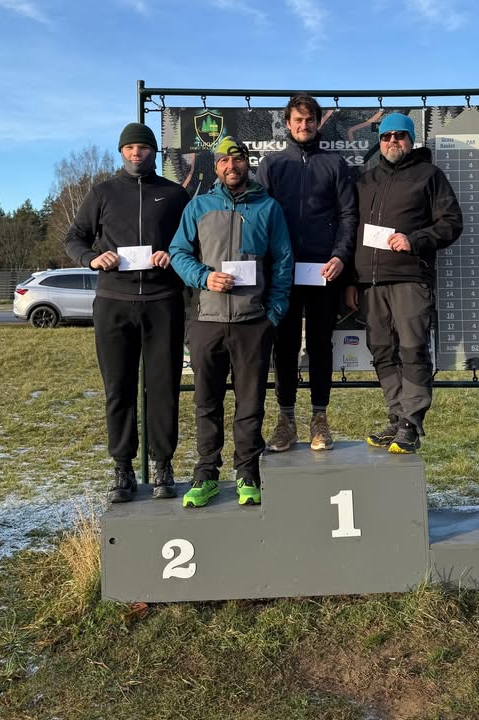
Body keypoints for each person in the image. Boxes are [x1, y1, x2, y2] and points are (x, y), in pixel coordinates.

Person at [65, 122, 189, 503]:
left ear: (154, 152)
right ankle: (122, 469)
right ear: (121, 152)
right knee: (118, 389)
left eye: (144, 148)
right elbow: (74, 238)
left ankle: (163, 464)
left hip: (163, 301)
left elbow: (192, 240)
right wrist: (91, 258)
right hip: (113, 302)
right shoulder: (102, 192)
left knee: (164, 388)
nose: (137, 154)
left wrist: (173, 254)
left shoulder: (174, 194)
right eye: (130, 148)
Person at [169, 137, 293, 508]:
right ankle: (206, 473)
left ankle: (247, 473)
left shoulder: (268, 207)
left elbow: (283, 261)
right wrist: (204, 277)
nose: (231, 166)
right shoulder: (199, 206)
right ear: (216, 166)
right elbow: (178, 252)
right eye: (224, 160)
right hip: (206, 320)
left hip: (252, 323)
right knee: (206, 402)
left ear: (246, 164)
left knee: (250, 403)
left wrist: (273, 313)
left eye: (237, 160)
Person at [346, 113, 463, 454]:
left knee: (412, 349)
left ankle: (412, 421)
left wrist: (415, 240)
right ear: (379, 141)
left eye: (400, 135)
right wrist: (352, 281)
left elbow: (452, 223)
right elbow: (351, 233)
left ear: (411, 140)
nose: (392, 141)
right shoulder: (365, 180)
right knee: (381, 351)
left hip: (411, 278)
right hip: (370, 284)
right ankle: (397, 416)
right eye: (386, 136)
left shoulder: (429, 176)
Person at [255, 93, 357, 453]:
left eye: (310, 120)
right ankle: (285, 420)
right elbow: (259, 217)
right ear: (287, 123)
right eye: (297, 120)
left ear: (317, 123)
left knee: (319, 345)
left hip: (323, 271)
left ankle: (319, 419)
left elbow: (348, 215)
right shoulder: (272, 164)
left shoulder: (335, 164)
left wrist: (340, 256)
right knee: (283, 346)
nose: (304, 125)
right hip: (282, 272)